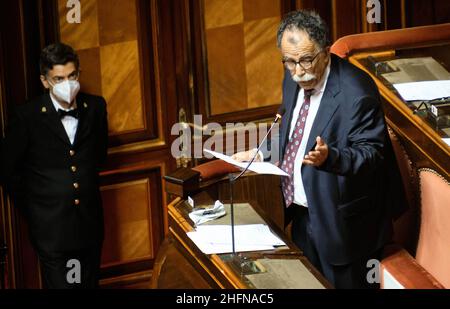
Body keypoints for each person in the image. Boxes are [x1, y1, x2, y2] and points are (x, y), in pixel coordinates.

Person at [233, 10, 405, 288]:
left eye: (306, 60)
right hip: (302, 215)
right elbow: (291, 130)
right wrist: (261, 152)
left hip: (346, 227)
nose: (299, 71)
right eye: (290, 61)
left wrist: (330, 157)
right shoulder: (292, 77)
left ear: (326, 51)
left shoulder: (357, 92)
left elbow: (372, 154)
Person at [0, 42, 108, 288]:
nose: (67, 83)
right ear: (45, 81)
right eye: (58, 78)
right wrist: (36, 210)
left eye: (72, 76)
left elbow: (99, 157)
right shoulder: (26, 116)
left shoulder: (96, 108)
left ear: (78, 74)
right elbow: (8, 171)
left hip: (89, 224)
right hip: (51, 229)